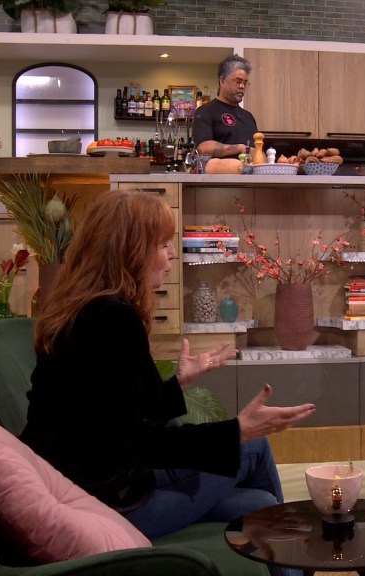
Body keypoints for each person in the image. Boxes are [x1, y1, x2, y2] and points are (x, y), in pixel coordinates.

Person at [20, 189, 316, 546]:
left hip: (94, 482)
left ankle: (287, 560)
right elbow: (139, 443)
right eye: (162, 244)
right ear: (131, 251)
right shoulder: (112, 319)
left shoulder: (80, 309)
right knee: (254, 447)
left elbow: (117, 417)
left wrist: (179, 381)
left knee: (260, 503)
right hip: (106, 502)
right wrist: (237, 429)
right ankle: (294, 560)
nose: (171, 254)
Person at [192, 54, 258, 159]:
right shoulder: (205, 111)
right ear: (222, 81)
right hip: (220, 169)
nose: (242, 86)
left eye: (245, 83)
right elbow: (203, 148)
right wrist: (240, 148)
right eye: (238, 81)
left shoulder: (248, 117)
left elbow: (257, 150)